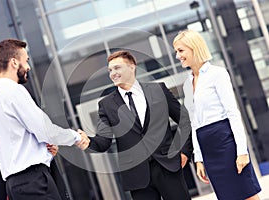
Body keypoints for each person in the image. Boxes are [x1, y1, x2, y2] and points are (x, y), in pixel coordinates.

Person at [80, 50, 193, 200]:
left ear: (132, 67)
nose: (112, 73)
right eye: (110, 70)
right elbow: (103, 141)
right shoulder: (106, 105)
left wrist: (184, 151)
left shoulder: (158, 90)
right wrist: (88, 141)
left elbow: (184, 120)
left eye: (117, 68)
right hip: (137, 176)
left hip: (168, 167)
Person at [0, 39, 89, 200]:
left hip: (16, 185)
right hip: (33, 182)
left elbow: (14, 142)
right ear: (14, 62)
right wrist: (76, 137)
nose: (28, 67)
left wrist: (44, 149)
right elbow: (45, 130)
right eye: (26, 61)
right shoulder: (14, 92)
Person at [173, 29, 261, 200]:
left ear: (194, 48)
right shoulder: (187, 84)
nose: (177, 56)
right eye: (176, 51)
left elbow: (233, 113)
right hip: (207, 149)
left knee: (248, 195)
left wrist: (242, 151)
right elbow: (194, 123)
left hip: (226, 143)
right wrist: (198, 158)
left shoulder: (217, 74)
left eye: (181, 50)